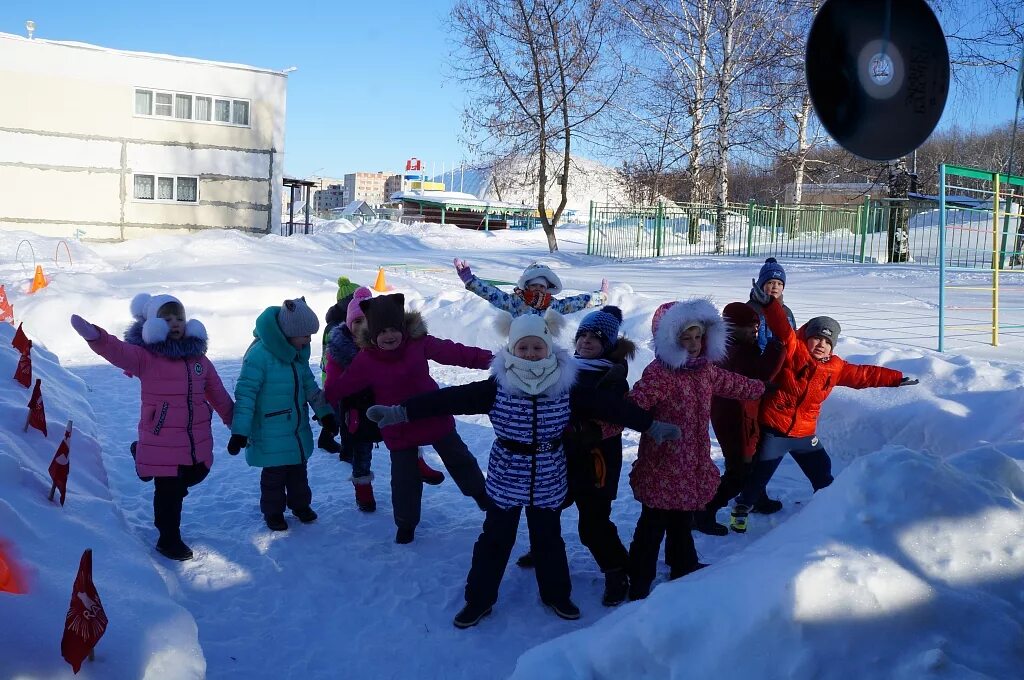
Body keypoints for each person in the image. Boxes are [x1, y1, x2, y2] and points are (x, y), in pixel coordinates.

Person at [367, 309, 679, 628]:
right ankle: (479, 600)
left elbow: (611, 408)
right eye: (523, 348)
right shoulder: (497, 386)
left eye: (537, 347)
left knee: (548, 539)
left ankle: (556, 595)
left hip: (548, 474)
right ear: (513, 349)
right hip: (506, 474)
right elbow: (446, 400)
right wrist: (399, 413)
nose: (530, 354)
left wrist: (650, 425)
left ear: (548, 347)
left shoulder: (565, 384)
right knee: (495, 539)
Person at [730, 285, 919, 533]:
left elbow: (864, 375)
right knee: (758, 477)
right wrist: (770, 305)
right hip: (775, 430)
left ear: (833, 346)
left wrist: (895, 378)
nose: (821, 344)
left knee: (823, 475)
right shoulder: (794, 353)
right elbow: (783, 330)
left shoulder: (835, 367)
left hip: (805, 433)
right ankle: (742, 509)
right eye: (816, 338)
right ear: (807, 339)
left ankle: (832, 510)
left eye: (827, 341)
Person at [70, 294, 234, 561]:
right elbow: (118, 351)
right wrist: (95, 337)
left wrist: (234, 420)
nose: (175, 323)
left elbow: (217, 393)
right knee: (169, 491)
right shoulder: (146, 358)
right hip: (162, 435)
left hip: (195, 439)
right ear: (154, 326)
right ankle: (168, 539)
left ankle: (141, 455)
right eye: (166, 319)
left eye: (179, 317)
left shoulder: (199, 361)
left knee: (196, 474)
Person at [324, 293, 493, 544]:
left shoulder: (418, 343)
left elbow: (455, 352)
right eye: (382, 331)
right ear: (372, 335)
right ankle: (406, 524)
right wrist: (323, 398)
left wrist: (492, 359)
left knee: (460, 459)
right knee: (404, 480)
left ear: (403, 328)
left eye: (394, 329)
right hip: (397, 426)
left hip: (432, 415)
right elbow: (339, 388)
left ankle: (481, 495)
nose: (389, 336)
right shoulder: (365, 360)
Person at [627, 298, 768, 600]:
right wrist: (610, 422)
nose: (693, 344)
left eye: (697, 336)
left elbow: (734, 383)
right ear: (668, 340)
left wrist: (763, 388)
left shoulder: (705, 369)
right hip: (662, 462)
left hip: (692, 459)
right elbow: (633, 406)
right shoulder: (660, 373)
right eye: (685, 337)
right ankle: (639, 578)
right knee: (652, 523)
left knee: (682, 517)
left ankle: (683, 564)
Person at [516, 305, 639, 606]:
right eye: (582, 335)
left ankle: (617, 570)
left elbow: (618, 419)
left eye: (595, 338)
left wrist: (586, 432)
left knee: (593, 523)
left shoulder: (612, 376)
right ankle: (543, 548)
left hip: (596, 461)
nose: (586, 341)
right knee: (548, 509)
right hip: (562, 457)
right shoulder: (564, 367)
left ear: (607, 344)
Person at [228, 298, 338, 532]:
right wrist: (240, 431)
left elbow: (310, 387)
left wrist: (325, 414)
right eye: (306, 335)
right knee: (274, 476)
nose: (309, 340)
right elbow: (245, 394)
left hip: (296, 430)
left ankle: (300, 505)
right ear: (290, 332)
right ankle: (273, 512)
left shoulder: (297, 355)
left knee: (299, 472)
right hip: (270, 431)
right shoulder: (259, 355)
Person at [695, 302, 785, 536]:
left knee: (753, 462)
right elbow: (762, 374)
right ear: (734, 327)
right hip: (736, 419)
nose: (755, 332)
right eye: (750, 328)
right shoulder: (738, 352)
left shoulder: (728, 346)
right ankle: (705, 511)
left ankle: (756, 498)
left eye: (756, 327)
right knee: (739, 471)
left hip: (737, 416)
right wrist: (779, 346)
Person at [454, 259, 608, 317]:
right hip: (520, 346)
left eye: (542, 286)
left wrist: (600, 296)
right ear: (527, 285)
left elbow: (576, 302)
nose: (538, 289)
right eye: (534, 285)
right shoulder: (515, 302)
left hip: (543, 349)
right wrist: (470, 280)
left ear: (547, 288)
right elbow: (493, 294)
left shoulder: (552, 305)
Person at [318, 276, 359, 458]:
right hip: (334, 376)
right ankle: (345, 449)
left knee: (342, 413)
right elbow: (330, 356)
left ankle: (328, 439)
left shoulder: (350, 322)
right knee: (340, 413)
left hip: (345, 376)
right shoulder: (335, 326)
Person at [748, 258, 796, 352]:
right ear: (761, 285)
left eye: (779, 283)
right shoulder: (752, 308)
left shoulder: (786, 312)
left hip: (779, 361)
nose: (775, 287)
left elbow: (793, 338)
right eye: (770, 282)